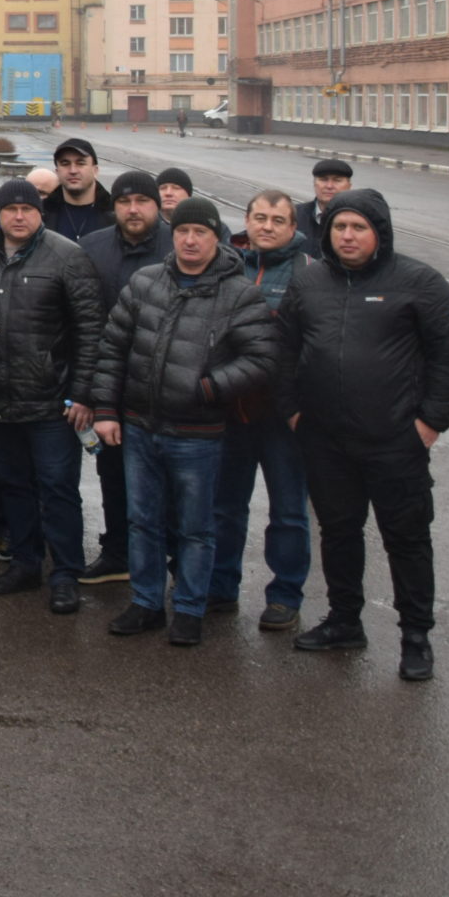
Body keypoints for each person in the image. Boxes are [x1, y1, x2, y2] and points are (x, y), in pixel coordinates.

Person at [275, 190, 449, 681]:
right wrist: (294, 412)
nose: (347, 236)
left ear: (379, 233)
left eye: (359, 228)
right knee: (338, 533)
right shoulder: (310, 281)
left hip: (394, 442)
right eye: (340, 227)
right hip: (325, 441)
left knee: (405, 539)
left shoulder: (419, 282)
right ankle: (344, 621)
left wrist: (430, 422)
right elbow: (283, 351)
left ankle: (415, 636)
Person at [88, 198, 280, 646]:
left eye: (201, 233)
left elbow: (262, 359)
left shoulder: (238, 294)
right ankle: (146, 603)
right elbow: (113, 347)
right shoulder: (146, 282)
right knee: (143, 522)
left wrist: (208, 388)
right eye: (182, 232)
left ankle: (191, 609)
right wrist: (104, 410)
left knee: (196, 527)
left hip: (199, 435)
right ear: (172, 236)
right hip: (139, 427)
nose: (190, 241)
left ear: (217, 238)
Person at [0, 178, 105, 614]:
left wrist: (82, 393)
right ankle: (25, 562)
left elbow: (90, 330)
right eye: (10, 209)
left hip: (51, 401)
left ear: (39, 214)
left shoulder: (67, 258)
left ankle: (66, 572)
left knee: (57, 488)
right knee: (12, 485)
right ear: (0, 213)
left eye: (27, 210)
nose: (18, 217)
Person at [210, 189, 316, 630]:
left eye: (277, 220)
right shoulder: (226, 267)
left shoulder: (310, 275)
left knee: (289, 511)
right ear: (246, 221)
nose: (267, 226)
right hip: (230, 411)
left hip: (283, 417)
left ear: (293, 228)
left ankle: (285, 595)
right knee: (225, 507)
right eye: (259, 217)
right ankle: (220, 586)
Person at [79, 170, 172, 585]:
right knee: (112, 476)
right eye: (123, 202)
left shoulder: (179, 244)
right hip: (111, 386)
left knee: (172, 481)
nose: (133, 210)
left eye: (142, 201)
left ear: (157, 205)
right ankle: (118, 551)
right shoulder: (92, 248)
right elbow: (82, 319)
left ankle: (174, 558)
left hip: (170, 388)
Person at [41, 139, 112, 242]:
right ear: (57, 172)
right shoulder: (40, 215)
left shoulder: (116, 215)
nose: (73, 170)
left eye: (80, 163)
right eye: (65, 163)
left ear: (95, 170)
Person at [299, 157, 356, 246]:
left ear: (349, 186)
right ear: (314, 184)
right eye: (323, 179)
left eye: (337, 180)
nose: (329, 186)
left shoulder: (361, 219)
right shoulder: (295, 215)